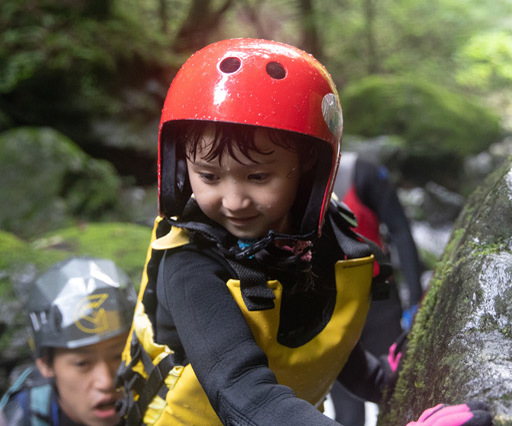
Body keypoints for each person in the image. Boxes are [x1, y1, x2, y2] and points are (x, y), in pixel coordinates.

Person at [115, 38, 492, 426]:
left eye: (258, 177)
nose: (233, 201)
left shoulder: (315, 243)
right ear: (181, 165)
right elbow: (243, 394)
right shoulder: (189, 268)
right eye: (208, 176)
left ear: (308, 169)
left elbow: (318, 347)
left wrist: (392, 384)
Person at [330, 151, 425, 425]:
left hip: (373, 300)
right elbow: (401, 231)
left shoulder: (363, 171)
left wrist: (415, 301)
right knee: (351, 411)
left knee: (398, 390)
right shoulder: (297, 176)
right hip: (332, 308)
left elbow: (400, 233)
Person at [0, 257, 137, 426]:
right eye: (82, 363)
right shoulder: (21, 417)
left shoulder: (165, 399)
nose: (106, 382)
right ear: (45, 364)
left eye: (119, 356)